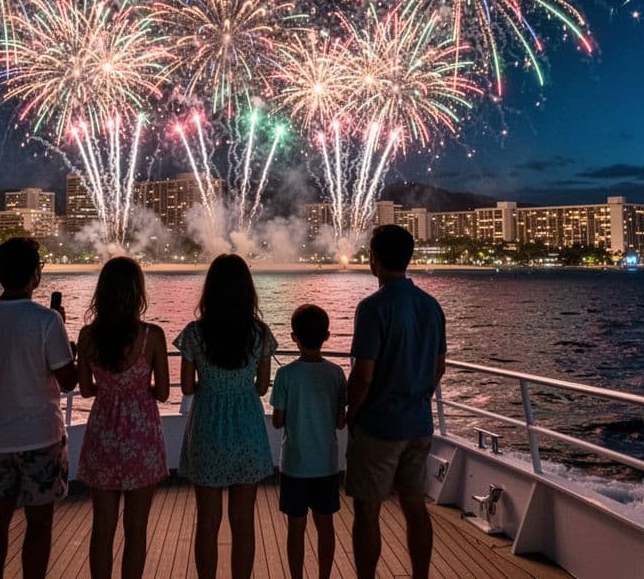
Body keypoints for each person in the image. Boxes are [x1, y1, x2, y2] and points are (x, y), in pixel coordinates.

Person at [0, 238, 78, 579]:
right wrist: (68, 343)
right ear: (35, 275)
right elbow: (69, 380)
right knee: (39, 522)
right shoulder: (47, 320)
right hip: (41, 436)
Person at [345, 225, 447, 578]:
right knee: (416, 506)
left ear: (374, 259)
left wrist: (351, 413)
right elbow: (440, 366)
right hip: (419, 424)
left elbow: (364, 375)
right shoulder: (432, 306)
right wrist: (418, 395)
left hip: (379, 426)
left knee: (367, 510)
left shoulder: (373, 308)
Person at [175, 254, 277, 579]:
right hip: (247, 429)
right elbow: (262, 387)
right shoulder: (260, 333)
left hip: (207, 428)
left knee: (207, 522)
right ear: (248, 291)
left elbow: (188, 388)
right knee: (243, 522)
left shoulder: (194, 333)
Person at [76, 257, 170, 579]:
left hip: (103, 434)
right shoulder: (152, 336)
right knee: (136, 529)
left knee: (102, 527)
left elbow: (86, 391)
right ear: (137, 292)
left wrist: (111, 388)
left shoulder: (87, 337)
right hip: (141, 438)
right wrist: (139, 385)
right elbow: (163, 394)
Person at [271, 304, 347, 579]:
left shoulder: (285, 375)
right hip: (326, 464)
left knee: (296, 526)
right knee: (325, 524)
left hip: (295, 464)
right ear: (327, 336)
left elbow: (278, 421)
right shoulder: (337, 374)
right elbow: (340, 421)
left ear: (294, 337)